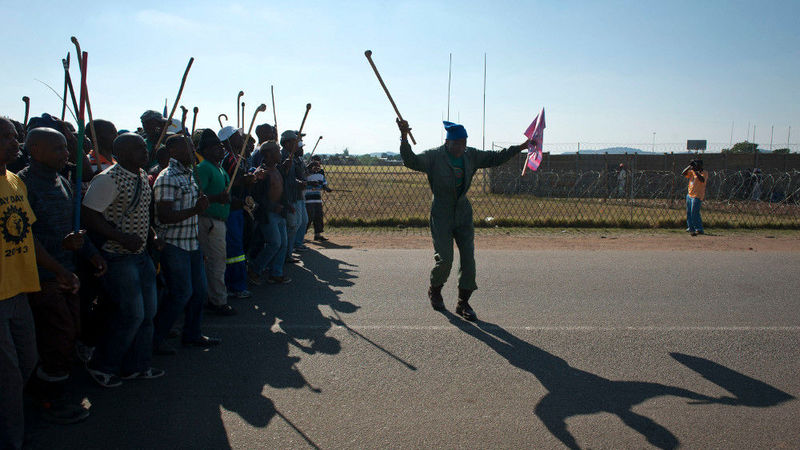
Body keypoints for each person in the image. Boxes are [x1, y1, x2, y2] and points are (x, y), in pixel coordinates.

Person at [397, 119, 529, 321]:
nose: (461, 147)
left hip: (463, 213)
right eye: (457, 143)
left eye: (464, 143)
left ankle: (463, 303)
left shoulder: (471, 156)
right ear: (447, 142)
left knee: (468, 259)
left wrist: (521, 147)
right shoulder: (434, 156)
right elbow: (411, 161)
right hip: (441, 212)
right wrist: (404, 136)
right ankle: (435, 289)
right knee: (445, 258)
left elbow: (496, 157)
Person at [18, 127, 107, 423]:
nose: (66, 154)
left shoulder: (64, 181)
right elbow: (25, 237)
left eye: (66, 148)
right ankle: (48, 398)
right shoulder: (24, 185)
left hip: (68, 273)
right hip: (43, 276)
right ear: (35, 151)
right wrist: (60, 250)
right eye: (57, 149)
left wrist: (90, 253)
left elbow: (75, 227)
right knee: (58, 336)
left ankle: (49, 389)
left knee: (70, 333)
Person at [82, 132, 164, 387]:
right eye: (140, 148)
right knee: (131, 314)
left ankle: (137, 366)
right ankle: (103, 365)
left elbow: (141, 212)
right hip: (118, 257)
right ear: (125, 152)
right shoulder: (107, 180)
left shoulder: (140, 175)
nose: (146, 151)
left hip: (140, 255)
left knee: (149, 313)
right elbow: (90, 217)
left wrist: (151, 234)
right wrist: (120, 236)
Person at [152, 134, 220, 354]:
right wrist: (196, 210)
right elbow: (164, 215)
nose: (192, 152)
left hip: (191, 244)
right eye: (187, 148)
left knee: (199, 293)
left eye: (192, 147)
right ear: (172, 151)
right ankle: (155, 339)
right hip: (174, 245)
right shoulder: (168, 177)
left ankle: (192, 334)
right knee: (180, 293)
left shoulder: (189, 175)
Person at [194, 130, 235, 315]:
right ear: (206, 150)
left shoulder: (219, 168)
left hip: (219, 221)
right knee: (215, 262)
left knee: (217, 261)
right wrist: (217, 198)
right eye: (216, 147)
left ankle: (214, 296)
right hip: (209, 221)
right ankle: (217, 300)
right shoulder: (204, 168)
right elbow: (197, 197)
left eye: (221, 146)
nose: (221, 150)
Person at [248, 142, 291, 284]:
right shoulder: (261, 173)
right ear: (268, 154)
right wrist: (273, 207)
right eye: (277, 151)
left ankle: (276, 273)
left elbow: (281, 189)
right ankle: (255, 270)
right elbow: (258, 197)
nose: (280, 154)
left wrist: (287, 205)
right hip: (268, 214)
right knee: (274, 243)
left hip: (280, 213)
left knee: (283, 244)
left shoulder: (277, 169)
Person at [279, 130, 305, 262]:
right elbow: (281, 177)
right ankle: (285, 255)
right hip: (287, 198)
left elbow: (292, 178)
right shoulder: (282, 157)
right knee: (291, 226)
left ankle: (288, 254)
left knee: (295, 225)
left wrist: (300, 182)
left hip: (294, 195)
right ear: (287, 143)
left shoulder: (291, 157)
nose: (297, 144)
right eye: (295, 142)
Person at [304, 156, 332, 241]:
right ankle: (301, 235)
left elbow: (323, 183)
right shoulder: (307, 171)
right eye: (315, 163)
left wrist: (326, 188)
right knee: (309, 216)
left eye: (318, 163)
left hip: (317, 197)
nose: (317, 165)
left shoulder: (321, 172)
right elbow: (303, 180)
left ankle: (317, 234)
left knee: (318, 215)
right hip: (308, 197)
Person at [682, 159, 707, 236]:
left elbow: (702, 180)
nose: (695, 167)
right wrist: (689, 166)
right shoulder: (692, 172)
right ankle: (691, 228)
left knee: (694, 212)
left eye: (697, 165)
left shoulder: (704, 173)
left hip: (697, 195)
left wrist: (696, 171)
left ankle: (699, 229)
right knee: (689, 212)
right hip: (690, 194)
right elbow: (683, 173)